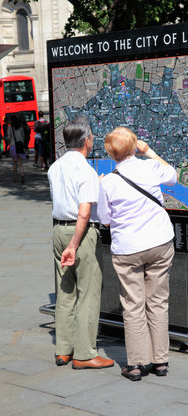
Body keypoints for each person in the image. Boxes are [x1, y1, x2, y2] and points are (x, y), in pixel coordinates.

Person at [97, 127, 177, 381]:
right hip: (160, 242)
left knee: (133, 306)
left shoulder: (107, 181)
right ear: (134, 147)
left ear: (110, 153)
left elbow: (105, 219)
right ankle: (161, 361)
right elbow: (173, 176)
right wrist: (150, 152)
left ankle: (136, 365)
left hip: (128, 248)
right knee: (158, 301)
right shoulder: (150, 168)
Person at [48, 116, 114, 370]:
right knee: (88, 291)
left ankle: (63, 349)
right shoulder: (85, 170)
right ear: (86, 141)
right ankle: (85, 354)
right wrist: (74, 245)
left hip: (58, 230)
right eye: (92, 137)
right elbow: (84, 213)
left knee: (65, 291)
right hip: (80, 233)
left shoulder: (55, 167)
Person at [7, 114, 26, 183]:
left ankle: (15, 178)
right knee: (20, 163)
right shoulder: (20, 127)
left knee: (14, 163)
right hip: (20, 145)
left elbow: (9, 137)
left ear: (11, 121)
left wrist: (8, 146)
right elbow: (23, 136)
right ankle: (22, 174)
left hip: (13, 146)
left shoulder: (10, 127)